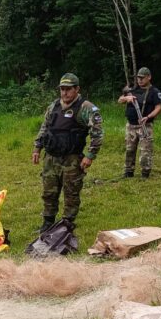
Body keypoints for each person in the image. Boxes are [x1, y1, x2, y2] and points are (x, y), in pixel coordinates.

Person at [32, 73, 104, 232]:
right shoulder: (54, 106)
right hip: (51, 158)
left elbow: (97, 133)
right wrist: (37, 147)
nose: (64, 93)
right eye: (62, 89)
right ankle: (48, 222)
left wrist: (90, 155)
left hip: (72, 159)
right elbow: (45, 127)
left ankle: (67, 224)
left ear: (77, 89)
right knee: (49, 191)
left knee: (71, 192)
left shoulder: (86, 108)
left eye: (68, 89)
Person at [117, 67, 161, 178]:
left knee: (145, 150)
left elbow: (158, 107)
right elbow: (119, 100)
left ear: (149, 77)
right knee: (129, 149)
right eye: (138, 78)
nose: (140, 80)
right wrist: (126, 98)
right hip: (131, 125)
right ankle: (128, 172)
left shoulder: (154, 92)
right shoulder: (132, 89)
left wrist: (148, 116)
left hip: (145, 125)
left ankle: (145, 173)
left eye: (142, 78)